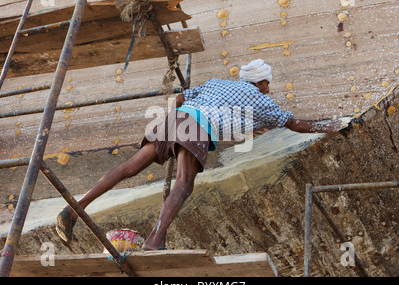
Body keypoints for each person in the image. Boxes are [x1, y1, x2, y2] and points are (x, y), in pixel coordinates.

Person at [56, 59, 344, 250]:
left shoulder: (217, 83)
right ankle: (155, 241)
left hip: (175, 117)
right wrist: (333, 125)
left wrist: (175, 126)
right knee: (184, 185)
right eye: (267, 83)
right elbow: (295, 123)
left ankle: (72, 210)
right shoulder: (258, 99)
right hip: (197, 126)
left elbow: (180, 98)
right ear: (259, 83)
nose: (269, 89)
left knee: (129, 167)